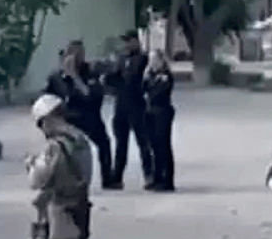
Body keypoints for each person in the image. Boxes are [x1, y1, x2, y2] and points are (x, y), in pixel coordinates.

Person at [26, 94, 94, 239]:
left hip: (54, 212)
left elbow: (38, 180)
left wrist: (31, 165)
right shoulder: (81, 140)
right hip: (78, 208)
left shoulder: (53, 147)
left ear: (46, 120)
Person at [45, 40, 118, 190]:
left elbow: (90, 95)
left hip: (90, 117)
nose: (75, 59)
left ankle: (108, 179)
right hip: (69, 119)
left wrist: (75, 77)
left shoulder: (90, 72)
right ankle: (61, 178)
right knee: (65, 149)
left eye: (79, 55)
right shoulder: (56, 77)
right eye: (71, 54)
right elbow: (47, 98)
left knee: (104, 144)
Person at [105, 30, 153, 190]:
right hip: (121, 106)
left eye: (129, 41)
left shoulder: (143, 58)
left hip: (137, 106)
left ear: (136, 42)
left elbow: (136, 79)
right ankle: (116, 177)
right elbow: (115, 80)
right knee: (121, 145)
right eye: (125, 41)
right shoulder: (122, 59)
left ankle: (149, 175)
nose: (126, 45)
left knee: (143, 143)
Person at [143, 49, 176, 192]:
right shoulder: (150, 75)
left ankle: (167, 180)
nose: (152, 63)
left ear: (162, 61)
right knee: (154, 147)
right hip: (150, 112)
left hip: (162, 112)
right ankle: (157, 178)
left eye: (155, 60)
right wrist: (146, 77)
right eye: (150, 60)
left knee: (163, 146)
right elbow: (142, 90)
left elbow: (157, 94)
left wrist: (151, 82)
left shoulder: (165, 76)